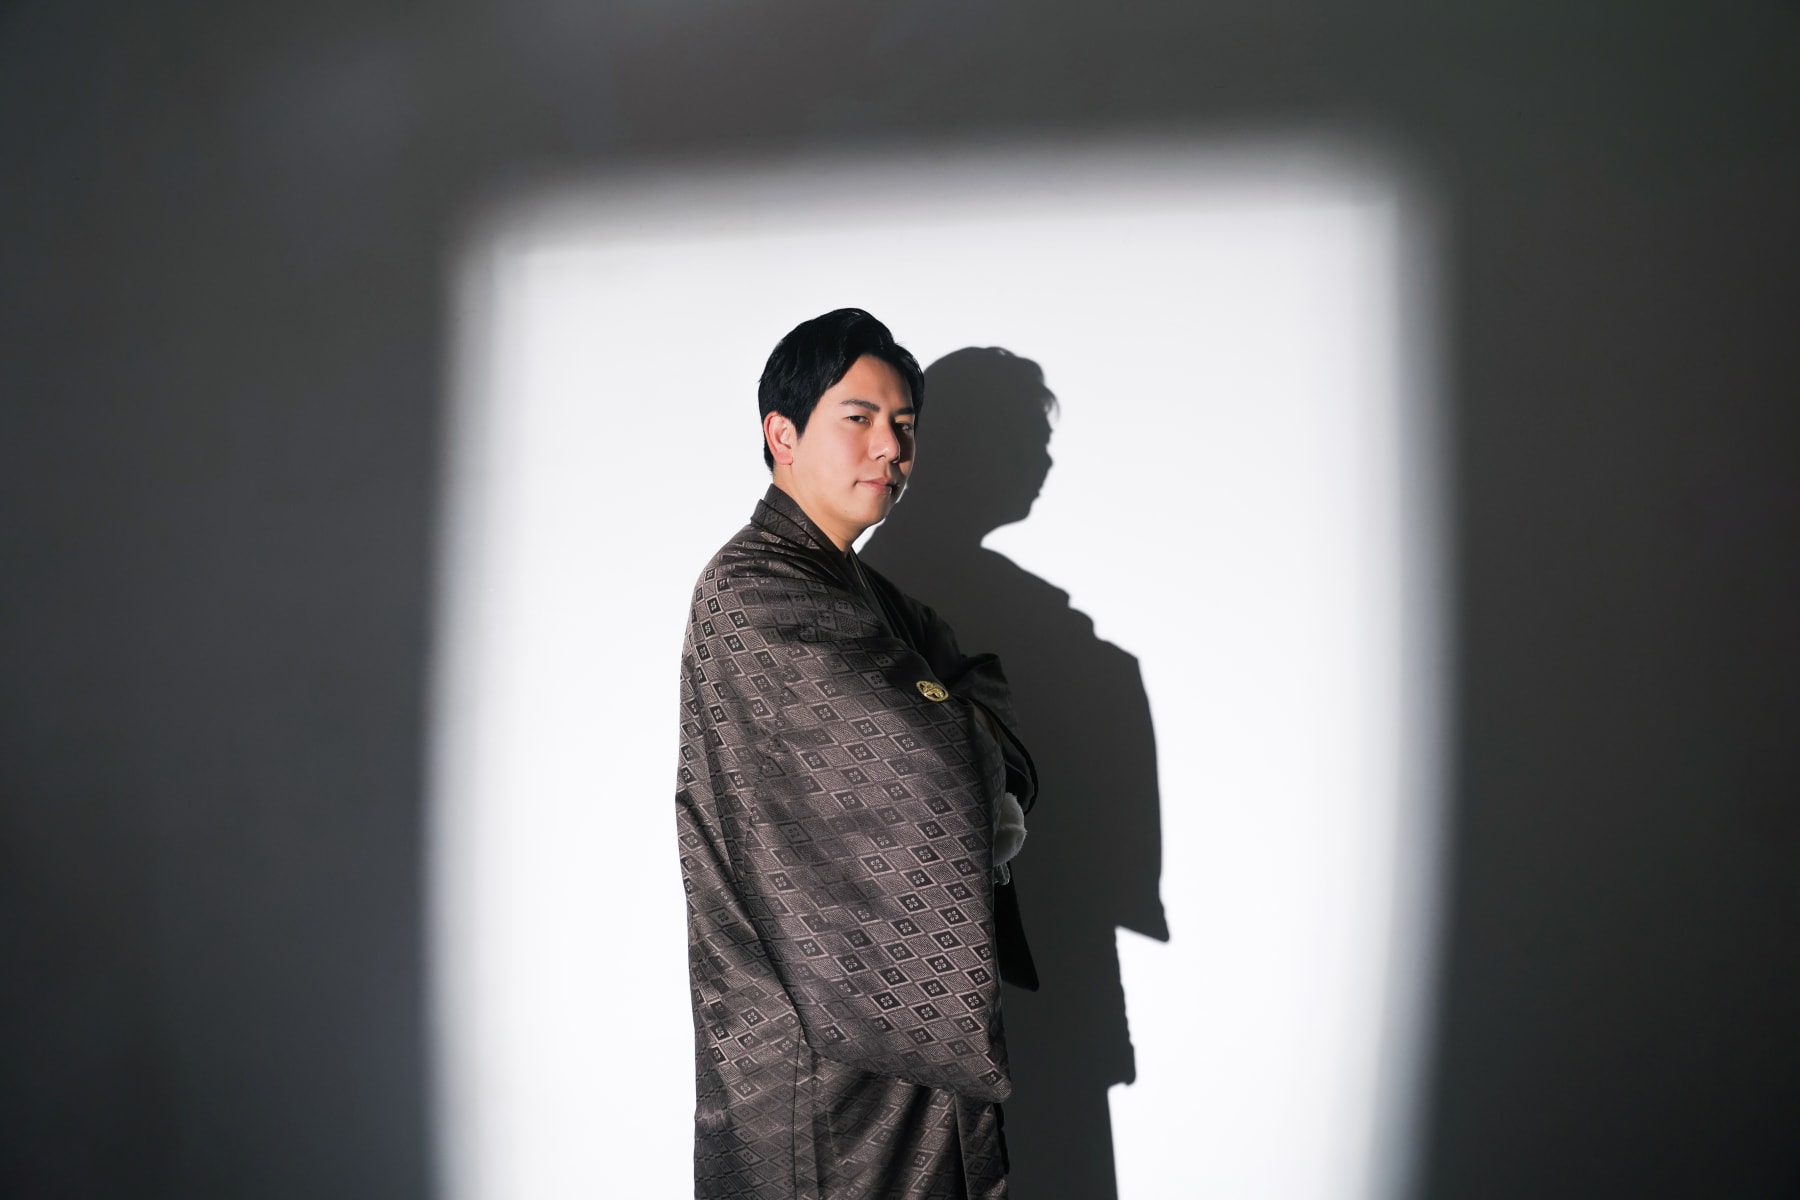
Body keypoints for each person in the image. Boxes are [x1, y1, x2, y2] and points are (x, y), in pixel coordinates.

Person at [675, 309, 1037, 1199]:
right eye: (860, 417)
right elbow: (929, 759)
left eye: (904, 425)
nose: (890, 448)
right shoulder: (754, 589)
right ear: (783, 434)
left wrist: (958, 723)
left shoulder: (877, 598)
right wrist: (961, 730)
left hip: (895, 1013)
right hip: (808, 1043)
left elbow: (978, 708)